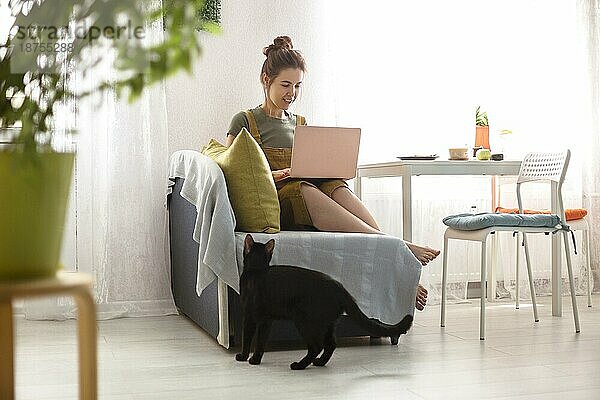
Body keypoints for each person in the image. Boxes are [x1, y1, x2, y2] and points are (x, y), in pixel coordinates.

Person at [226, 36, 439, 311]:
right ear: (266, 79)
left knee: (335, 183)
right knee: (304, 188)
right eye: (285, 85)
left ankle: (393, 250)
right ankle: (399, 246)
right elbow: (235, 170)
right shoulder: (244, 120)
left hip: (307, 187)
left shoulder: (300, 123)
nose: (292, 93)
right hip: (280, 198)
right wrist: (278, 174)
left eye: (298, 86)